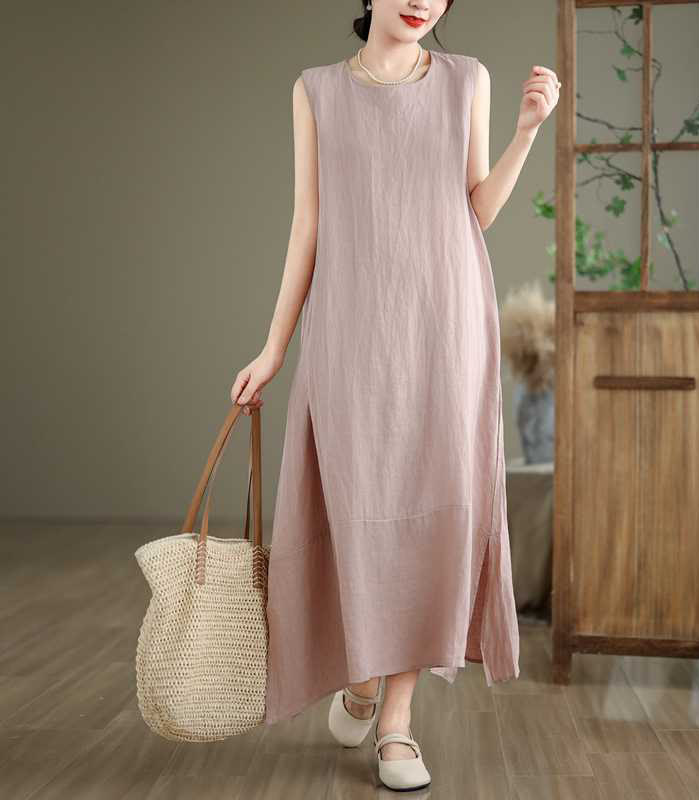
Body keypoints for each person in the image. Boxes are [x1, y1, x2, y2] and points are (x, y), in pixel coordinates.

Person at [230, 0, 559, 791]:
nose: (421, 1)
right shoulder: (316, 90)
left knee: (431, 516)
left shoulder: (467, 79)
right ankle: (361, 677)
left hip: (446, 329)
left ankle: (397, 723)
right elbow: (307, 224)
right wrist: (274, 347)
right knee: (356, 512)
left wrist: (525, 133)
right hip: (350, 330)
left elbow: (475, 209)